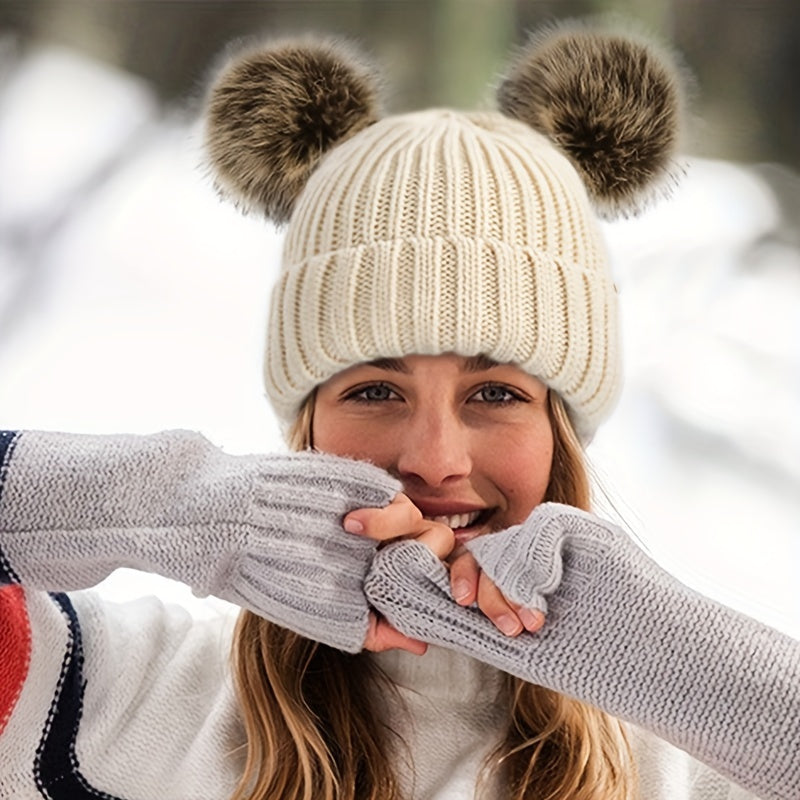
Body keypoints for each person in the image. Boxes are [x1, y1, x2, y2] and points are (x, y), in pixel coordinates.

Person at [0, 21, 797, 800]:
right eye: (374, 391)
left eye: (496, 394)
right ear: (305, 424)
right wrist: (185, 509)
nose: (435, 458)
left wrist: (674, 664)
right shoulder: (110, 700)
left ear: (560, 434)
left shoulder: (699, 765)